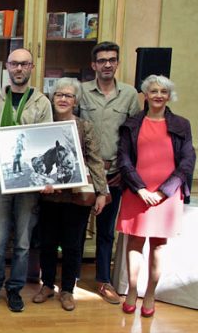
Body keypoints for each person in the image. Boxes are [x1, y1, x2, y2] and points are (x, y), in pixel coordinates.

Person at [0, 48, 53, 312]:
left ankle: (14, 290)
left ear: (31, 67)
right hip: (0, 178)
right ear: (7, 67)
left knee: (22, 243)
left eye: (24, 64)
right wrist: (19, 140)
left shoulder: (42, 102)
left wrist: (10, 138)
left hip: (30, 182)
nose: (18, 69)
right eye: (13, 64)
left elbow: (44, 141)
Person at [116, 75, 195, 318]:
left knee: (159, 245)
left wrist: (164, 191)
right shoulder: (132, 123)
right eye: (153, 91)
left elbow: (188, 161)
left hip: (167, 195)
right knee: (135, 243)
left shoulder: (182, 124)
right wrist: (140, 188)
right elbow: (124, 158)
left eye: (163, 91)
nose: (158, 95)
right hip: (136, 191)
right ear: (145, 94)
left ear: (169, 96)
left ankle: (150, 293)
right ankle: (132, 290)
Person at [33, 78, 109, 311]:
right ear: (51, 97)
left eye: (68, 96)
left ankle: (67, 290)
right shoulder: (43, 124)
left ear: (75, 101)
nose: (63, 99)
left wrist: (102, 192)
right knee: (47, 242)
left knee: (72, 245)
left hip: (76, 198)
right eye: (59, 95)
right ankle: (47, 285)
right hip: (49, 197)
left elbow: (95, 161)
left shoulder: (84, 127)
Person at [79, 41, 141, 305]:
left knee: (106, 232)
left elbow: (135, 136)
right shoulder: (80, 92)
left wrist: (126, 172)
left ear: (117, 63)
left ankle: (104, 281)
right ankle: (69, 279)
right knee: (75, 229)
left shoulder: (129, 95)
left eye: (111, 60)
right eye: (101, 60)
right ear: (93, 65)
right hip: (84, 174)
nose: (107, 64)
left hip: (114, 174)